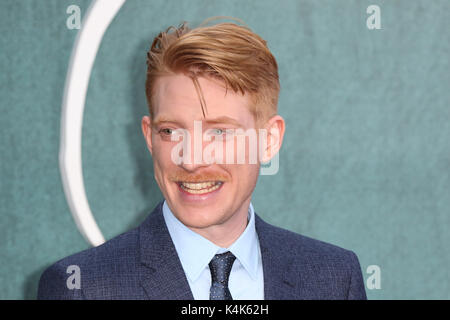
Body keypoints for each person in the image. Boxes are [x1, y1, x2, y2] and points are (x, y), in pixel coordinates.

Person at [38, 18, 367, 300]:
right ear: (149, 137)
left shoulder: (334, 279)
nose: (192, 160)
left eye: (220, 133)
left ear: (269, 140)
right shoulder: (82, 287)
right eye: (171, 132)